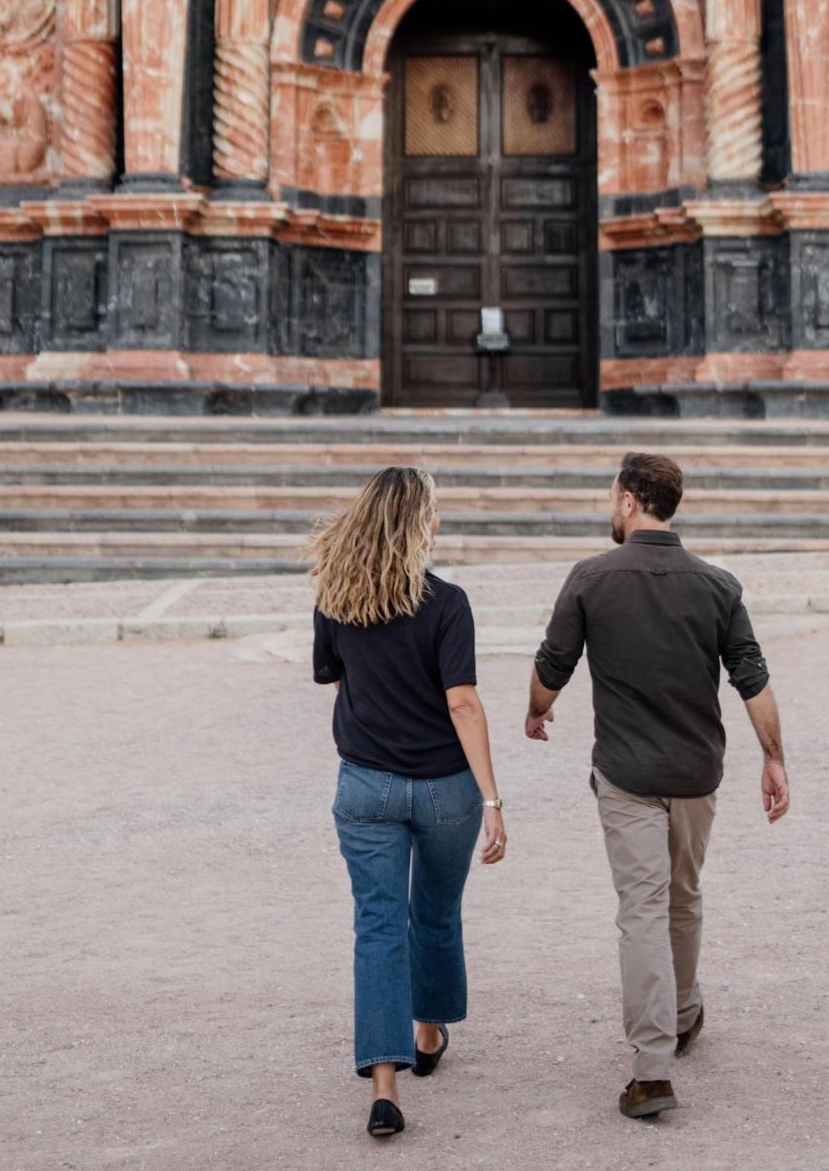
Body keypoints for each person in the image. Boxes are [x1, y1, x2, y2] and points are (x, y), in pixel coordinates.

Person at [525, 448, 789, 1121]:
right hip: (699, 771)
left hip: (627, 774)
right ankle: (685, 1010)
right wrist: (774, 758)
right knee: (684, 895)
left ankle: (651, 1071)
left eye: (612, 494)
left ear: (629, 502)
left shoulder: (590, 578)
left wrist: (536, 708)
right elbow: (751, 677)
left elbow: (552, 667)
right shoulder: (718, 584)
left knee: (642, 909)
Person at [313, 464, 508, 1142]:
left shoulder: (335, 596)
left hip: (366, 783)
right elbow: (462, 702)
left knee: (377, 925)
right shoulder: (448, 602)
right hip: (447, 786)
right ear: (421, 524)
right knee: (435, 911)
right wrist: (492, 797)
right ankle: (428, 1033)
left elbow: (337, 684)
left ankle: (384, 1086)